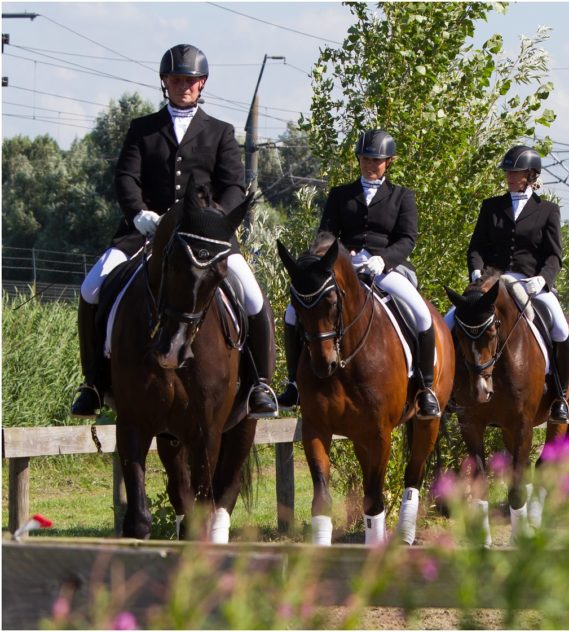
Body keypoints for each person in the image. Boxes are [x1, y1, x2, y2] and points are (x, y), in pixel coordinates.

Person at [71, 43, 277, 418]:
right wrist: (138, 214)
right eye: (176, 79)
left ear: (202, 83)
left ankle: (260, 383)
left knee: (251, 295)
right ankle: (93, 381)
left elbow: (234, 186)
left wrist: (213, 219)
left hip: (206, 238)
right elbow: (126, 178)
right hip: (144, 233)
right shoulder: (142, 129)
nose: (183, 86)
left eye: (190, 80)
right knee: (91, 287)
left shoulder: (220, 132)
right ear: (165, 82)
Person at [278, 129, 440, 419]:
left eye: (376, 160)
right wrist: (335, 256)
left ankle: (426, 387)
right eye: (365, 159)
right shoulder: (341, 194)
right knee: (292, 313)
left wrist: (383, 259)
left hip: (383, 268)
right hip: (345, 267)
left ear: (388, 162)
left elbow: (407, 239)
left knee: (422, 314)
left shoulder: (402, 196)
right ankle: (294, 384)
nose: (369, 165)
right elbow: (326, 233)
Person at [461, 145, 569, 422]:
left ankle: (559, 396)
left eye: (516, 172)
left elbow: (554, 255)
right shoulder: (491, 207)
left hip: (529, 282)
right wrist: (476, 272)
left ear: (531, 175)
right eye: (508, 172)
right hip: (491, 283)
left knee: (561, 329)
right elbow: (476, 248)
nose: (510, 177)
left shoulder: (547, 210)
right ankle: (452, 392)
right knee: (453, 320)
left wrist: (543, 279)